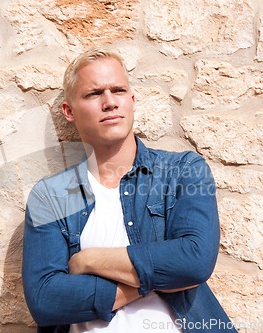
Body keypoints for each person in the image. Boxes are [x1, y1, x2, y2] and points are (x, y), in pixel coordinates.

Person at [22, 48, 238, 333]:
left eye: (119, 90)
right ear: (69, 111)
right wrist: (159, 278)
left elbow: (195, 261)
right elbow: (45, 301)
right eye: (94, 93)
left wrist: (89, 260)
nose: (110, 102)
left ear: (132, 101)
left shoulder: (183, 171)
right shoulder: (51, 195)